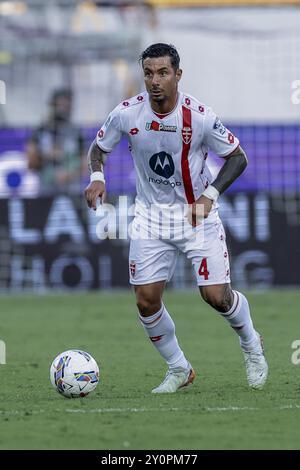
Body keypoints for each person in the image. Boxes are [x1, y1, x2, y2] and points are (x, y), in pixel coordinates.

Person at [84, 43, 268, 393]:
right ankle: (179, 368)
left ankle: (251, 345)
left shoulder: (198, 116)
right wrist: (97, 178)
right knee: (146, 300)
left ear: (177, 75)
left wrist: (209, 196)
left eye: (163, 73)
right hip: (150, 219)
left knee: (216, 297)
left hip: (195, 217)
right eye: (149, 74)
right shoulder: (127, 113)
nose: (155, 81)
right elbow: (99, 147)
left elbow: (237, 157)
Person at [27, 88, 85, 194]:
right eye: (60, 105)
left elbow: (86, 164)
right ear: (52, 105)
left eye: (67, 106)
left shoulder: (76, 133)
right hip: (46, 191)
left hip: (72, 191)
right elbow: (31, 163)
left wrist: (69, 174)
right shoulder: (40, 131)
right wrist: (47, 156)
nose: (63, 110)